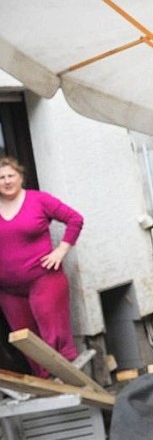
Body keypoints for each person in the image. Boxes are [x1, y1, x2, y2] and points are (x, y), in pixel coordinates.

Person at [0, 156, 83, 377]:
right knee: (26, 339)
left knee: (53, 335)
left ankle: (67, 380)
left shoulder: (39, 200)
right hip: (8, 290)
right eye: (1, 178)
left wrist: (61, 250)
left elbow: (75, 219)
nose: (6, 181)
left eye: (11, 176)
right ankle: (48, 385)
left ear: (20, 177)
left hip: (44, 278)